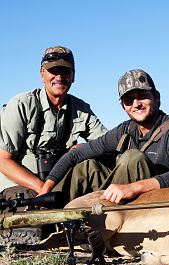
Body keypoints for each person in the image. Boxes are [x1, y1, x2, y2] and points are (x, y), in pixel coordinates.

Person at [39, 69, 169, 205]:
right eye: (128, 100)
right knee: (87, 166)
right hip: (133, 203)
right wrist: (44, 191)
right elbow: (75, 155)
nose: (136, 104)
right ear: (123, 106)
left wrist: (134, 188)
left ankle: (102, 229)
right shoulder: (125, 130)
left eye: (142, 96)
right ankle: (48, 219)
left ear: (157, 97)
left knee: (133, 158)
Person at [0, 45, 107, 202]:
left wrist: (83, 149)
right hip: (21, 184)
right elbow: (3, 160)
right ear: (42, 74)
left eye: (65, 71)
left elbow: (106, 142)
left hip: (57, 182)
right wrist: (42, 188)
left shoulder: (81, 108)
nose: (59, 77)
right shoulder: (21, 104)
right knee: (34, 222)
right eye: (53, 71)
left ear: (73, 76)